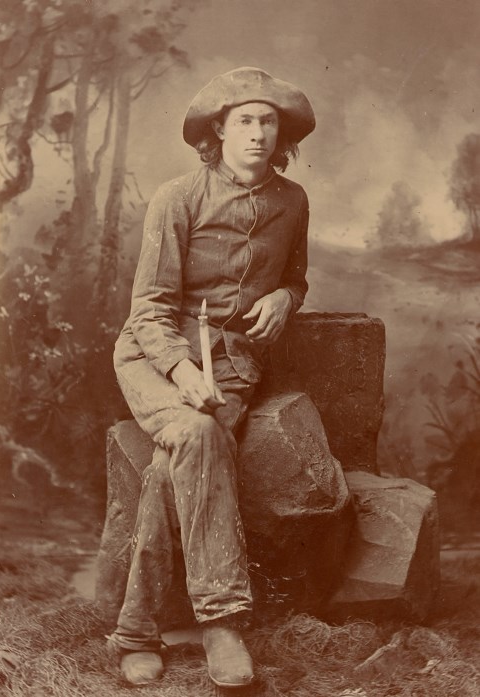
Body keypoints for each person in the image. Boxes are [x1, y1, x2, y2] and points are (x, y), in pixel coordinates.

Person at [107, 66, 315, 688]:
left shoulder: (293, 201)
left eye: (267, 121)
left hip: (232, 363)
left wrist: (285, 298)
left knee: (174, 465)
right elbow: (148, 309)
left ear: (281, 133)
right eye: (244, 121)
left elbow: (297, 278)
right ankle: (224, 621)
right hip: (154, 355)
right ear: (219, 130)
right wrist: (179, 370)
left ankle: (137, 630)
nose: (257, 133)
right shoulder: (179, 197)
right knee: (196, 437)